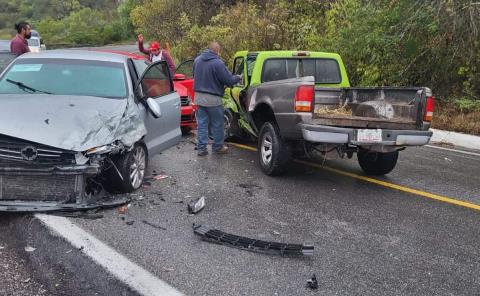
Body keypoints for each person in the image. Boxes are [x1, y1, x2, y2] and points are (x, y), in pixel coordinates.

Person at [193, 41, 241, 156]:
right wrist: (238, 77)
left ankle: (202, 149)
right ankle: (218, 147)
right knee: (217, 123)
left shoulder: (197, 60)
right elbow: (228, 80)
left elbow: (195, 76)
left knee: (202, 124)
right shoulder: (218, 63)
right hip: (213, 99)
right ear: (217, 51)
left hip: (199, 97)